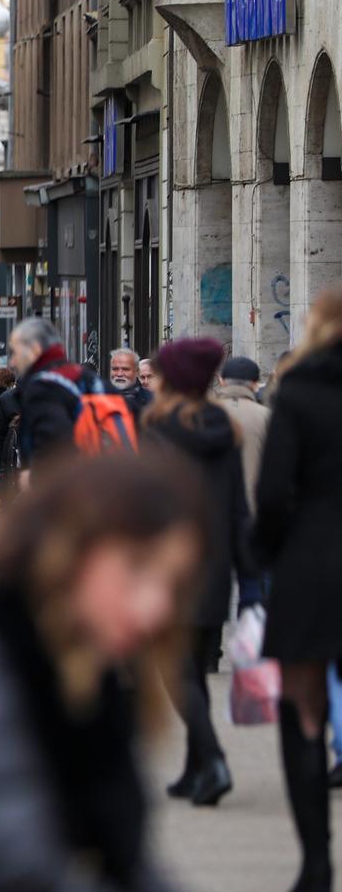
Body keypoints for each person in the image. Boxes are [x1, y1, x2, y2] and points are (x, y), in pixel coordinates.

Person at [0, 452, 205, 892]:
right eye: (136, 569)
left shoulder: (80, 672)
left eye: (172, 584)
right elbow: (10, 869)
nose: (155, 607)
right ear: (69, 551)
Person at [140, 337, 254, 809]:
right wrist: (250, 577)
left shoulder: (159, 426)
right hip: (215, 564)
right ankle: (196, 768)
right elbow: (237, 506)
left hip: (172, 564)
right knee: (196, 670)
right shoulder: (225, 427)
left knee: (176, 672)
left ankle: (214, 759)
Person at [254, 286, 342, 892]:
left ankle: (316, 861)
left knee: (303, 710)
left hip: (313, 563)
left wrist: (266, 555)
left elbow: (272, 492)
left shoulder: (300, 391)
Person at [8, 317, 103, 475]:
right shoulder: (90, 380)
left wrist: (33, 478)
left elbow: (55, 450)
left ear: (35, 350)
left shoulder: (43, 390)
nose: (12, 362)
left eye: (14, 352)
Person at [213, 356, 268, 512]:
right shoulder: (267, 416)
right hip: (254, 507)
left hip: (211, 509)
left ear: (221, 381)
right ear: (256, 385)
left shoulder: (203, 413)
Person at [110, 347, 153, 412]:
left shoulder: (152, 401)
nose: (119, 374)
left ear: (137, 372)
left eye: (125, 369)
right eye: (115, 369)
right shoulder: (100, 397)